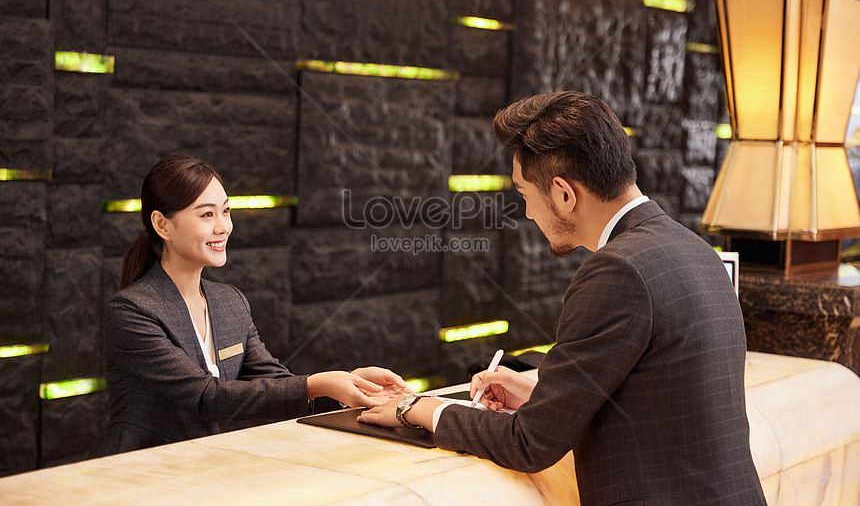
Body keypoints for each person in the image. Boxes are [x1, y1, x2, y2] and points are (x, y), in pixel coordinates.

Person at [359, 92, 766, 505]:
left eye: (524, 194)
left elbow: (530, 444)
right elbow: (659, 397)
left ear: (563, 194)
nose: (528, 213)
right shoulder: (694, 248)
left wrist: (422, 410)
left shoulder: (617, 271)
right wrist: (545, 395)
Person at [89, 155, 409, 457]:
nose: (223, 227)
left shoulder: (230, 302)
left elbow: (279, 387)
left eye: (226, 211)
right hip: (134, 471)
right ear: (162, 225)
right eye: (206, 214)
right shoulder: (131, 311)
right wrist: (317, 383)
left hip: (200, 469)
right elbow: (208, 398)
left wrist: (351, 387)